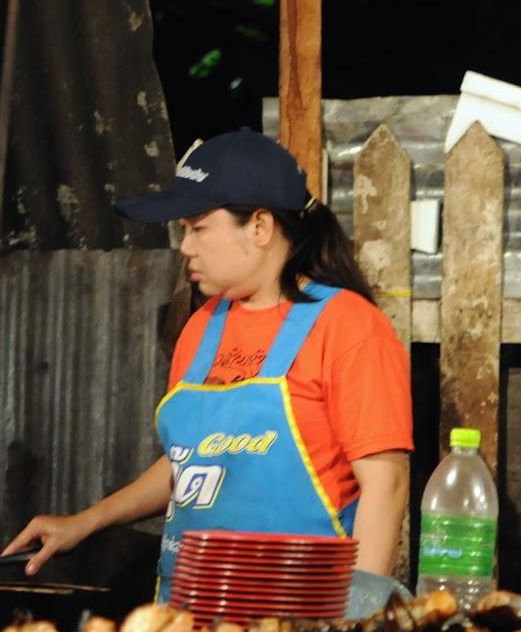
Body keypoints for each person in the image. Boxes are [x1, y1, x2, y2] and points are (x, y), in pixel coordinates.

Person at [2, 131, 412, 599]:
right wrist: (86, 521)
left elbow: (387, 484)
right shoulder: (201, 328)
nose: (185, 247)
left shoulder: (349, 327)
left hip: (298, 620)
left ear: (259, 227)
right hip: (188, 617)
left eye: (198, 228)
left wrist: (358, 621)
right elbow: (190, 458)